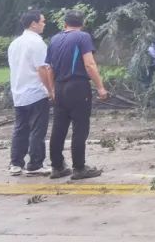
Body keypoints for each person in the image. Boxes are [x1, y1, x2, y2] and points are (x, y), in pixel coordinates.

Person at [44, 10, 108, 180]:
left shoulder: (55, 39)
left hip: (59, 87)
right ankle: (79, 167)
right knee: (80, 128)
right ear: (82, 23)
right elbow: (89, 64)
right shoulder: (83, 37)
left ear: (65, 23)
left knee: (58, 128)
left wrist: (52, 90)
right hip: (77, 87)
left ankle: (57, 167)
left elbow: (49, 68)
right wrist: (100, 87)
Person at [6, 9, 52, 176]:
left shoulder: (15, 43)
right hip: (36, 92)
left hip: (18, 92)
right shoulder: (37, 43)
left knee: (20, 129)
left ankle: (16, 163)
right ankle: (35, 164)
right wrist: (50, 89)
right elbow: (42, 69)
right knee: (37, 130)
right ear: (33, 24)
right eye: (42, 21)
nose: (44, 24)